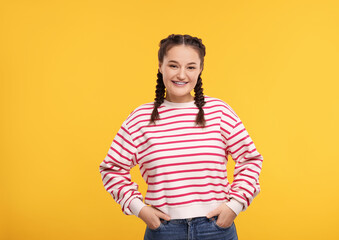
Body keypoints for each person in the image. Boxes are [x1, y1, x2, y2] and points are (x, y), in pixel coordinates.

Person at [99, 34, 264, 240]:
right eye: (174, 66)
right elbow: (112, 168)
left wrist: (235, 205)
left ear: (200, 69)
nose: (182, 75)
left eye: (191, 67)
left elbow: (250, 159)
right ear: (161, 66)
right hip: (164, 230)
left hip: (216, 229)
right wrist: (140, 209)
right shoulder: (140, 118)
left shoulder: (219, 112)